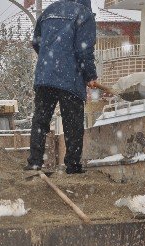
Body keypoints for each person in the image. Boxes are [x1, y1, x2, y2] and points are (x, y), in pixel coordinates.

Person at [26, 0, 98, 174]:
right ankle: (72, 165)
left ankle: (35, 163)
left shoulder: (49, 11)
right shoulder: (84, 14)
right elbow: (83, 50)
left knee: (41, 121)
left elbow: (36, 42)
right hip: (70, 77)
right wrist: (90, 76)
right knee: (72, 123)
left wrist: (50, 60)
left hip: (45, 76)